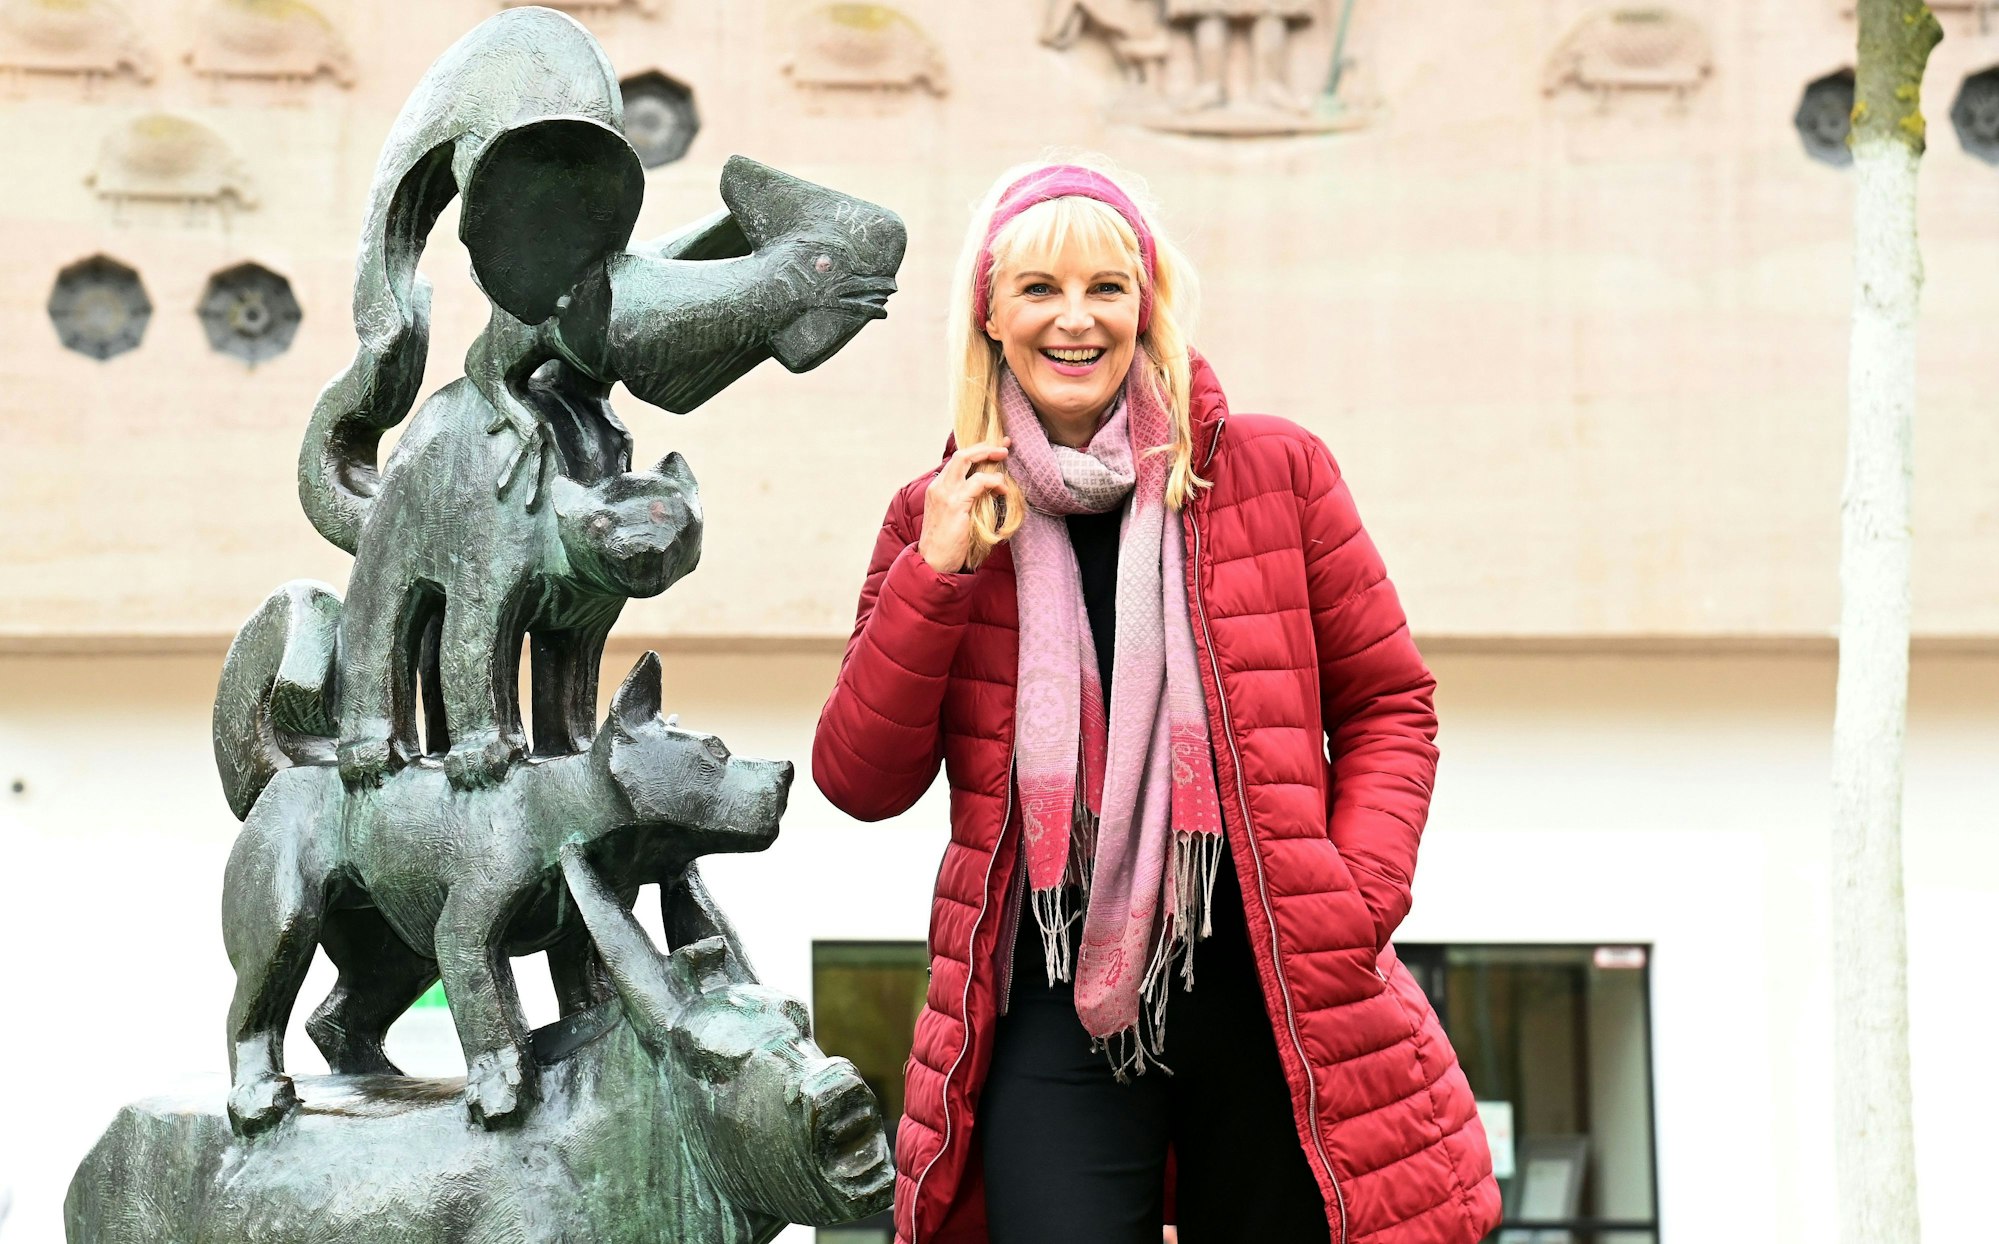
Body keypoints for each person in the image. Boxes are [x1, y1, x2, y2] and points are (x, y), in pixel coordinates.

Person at [813, 161, 1501, 1244]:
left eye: (1107, 286)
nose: (1074, 318)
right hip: (1053, 995)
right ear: (989, 315)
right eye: (1037, 288)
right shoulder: (937, 513)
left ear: (1147, 302)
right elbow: (860, 778)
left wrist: (1356, 893)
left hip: (1269, 989)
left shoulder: (1274, 470)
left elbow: (1387, 702)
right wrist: (935, 574)